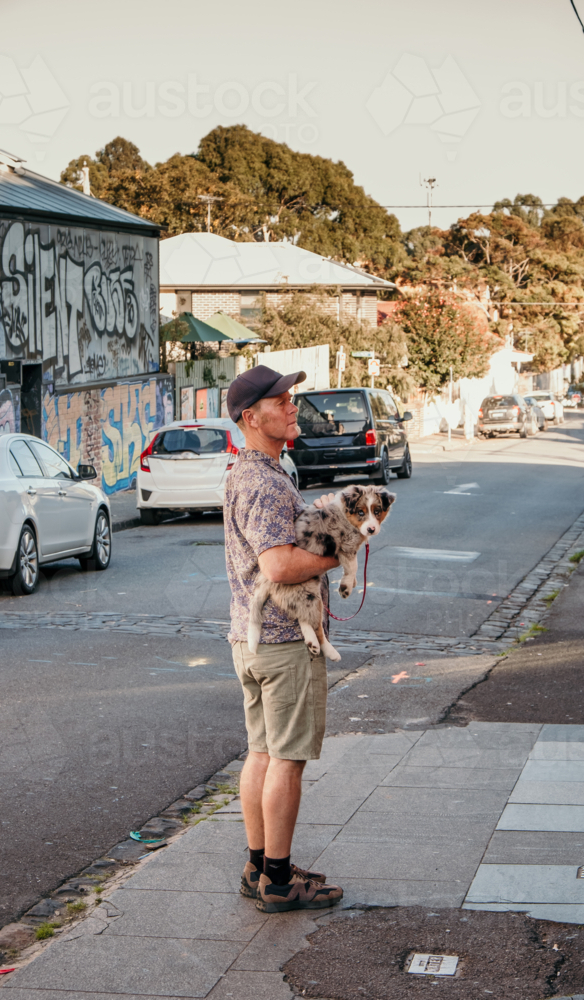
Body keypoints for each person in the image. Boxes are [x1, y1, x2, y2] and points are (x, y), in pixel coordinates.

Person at [224, 365, 344, 914]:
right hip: (280, 641)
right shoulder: (266, 482)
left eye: (292, 398)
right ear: (252, 417)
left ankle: (258, 866)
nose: (293, 407)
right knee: (287, 760)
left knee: (261, 753)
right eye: (281, 400)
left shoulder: (248, 472)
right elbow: (277, 564)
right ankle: (277, 880)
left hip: (249, 640)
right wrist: (336, 553)